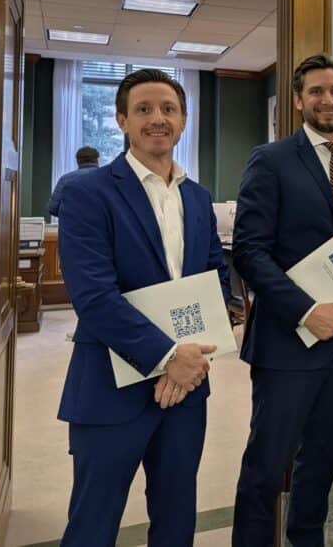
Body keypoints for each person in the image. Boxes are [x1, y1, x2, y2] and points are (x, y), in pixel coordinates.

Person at [56, 68, 229, 546]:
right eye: (144, 110)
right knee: (93, 522)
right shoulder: (86, 192)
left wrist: (189, 361)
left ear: (184, 119)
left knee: (176, 520)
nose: (158, 119)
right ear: (121, 121)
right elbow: (93, 297)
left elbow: (213, 277)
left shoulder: (197, 197)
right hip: (110, 387)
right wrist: (169, 358)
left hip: (187, 390)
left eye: (169, 109)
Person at [232, 53, 333, 546]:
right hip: (288, 345)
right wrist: (305, 311)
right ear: (298, 100)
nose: (327, 99)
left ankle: (307, 538)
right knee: (267, 467)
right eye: (316, 91)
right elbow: (250, 253)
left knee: (322, 460)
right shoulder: (270, 160)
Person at [48, 145, 100, 217]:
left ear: (78, 161)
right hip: (101, 226)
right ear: (96, 160)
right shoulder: (109, 178)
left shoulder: (65, 179)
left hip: (72, 226)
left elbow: (53, 208)